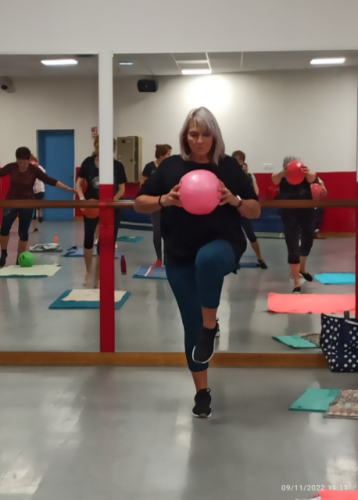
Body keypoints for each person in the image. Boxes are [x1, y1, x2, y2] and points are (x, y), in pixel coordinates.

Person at [135, 107, 260, 418]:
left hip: (223, 245)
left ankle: (210, 327)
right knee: (190, 325)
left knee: (207, 261)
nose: (200, 140)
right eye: (194, 134)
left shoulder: (229, 167)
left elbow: (256, 209)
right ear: (185, 136)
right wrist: (165, 199)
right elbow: (139, 202)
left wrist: (237, 201)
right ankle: (201, 391)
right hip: (179, 252)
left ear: (214, 135)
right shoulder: (170, 167)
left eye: (206, 134)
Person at [0, 147, 75, 267]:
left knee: (23, 232)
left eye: (24, 162)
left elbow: (50, 180)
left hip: (28, 202)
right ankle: (3, 254)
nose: (22, 165)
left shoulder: (34, 170)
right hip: (11, 202)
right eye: (20, 162)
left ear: (29, 160)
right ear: (16, 161)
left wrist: (67, 189)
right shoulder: (12, 167)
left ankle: (20, 258)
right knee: (4, 228)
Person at [76, 136, 127, 288]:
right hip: (92, 205)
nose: (100, 149)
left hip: (110, 207)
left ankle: (98, 277)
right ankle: (89, 272)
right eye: (97, 146)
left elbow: (122, 189)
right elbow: (79, 184)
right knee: (88, 239)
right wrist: (82, 199)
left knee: (105, 242)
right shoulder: (88, 162)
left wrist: (112, 201)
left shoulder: (117, 166)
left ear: (112, 149)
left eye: (103, 146)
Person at [272, 156, 317, 293]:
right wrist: (281, 173)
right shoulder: (280, 176)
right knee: (292, 247)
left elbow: (313, 178)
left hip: (306, 214)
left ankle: (302, 268)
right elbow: (274, 179)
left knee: (307, 242)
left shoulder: (307, 175)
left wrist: (307, 173)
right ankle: (296, 283)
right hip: (289, 215)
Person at [232, 152, 267, 269]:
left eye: (240, 159)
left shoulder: (249, 177)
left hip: (244, 209)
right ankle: (234, 260)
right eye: (235, 159)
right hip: (233, 210)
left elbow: (255, 192)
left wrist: (247, 202)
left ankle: (260, 258)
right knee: (232, 237)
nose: (238, 161)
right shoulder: (229, 175)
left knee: (251, 235)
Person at [141, 144, 172, 267]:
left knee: (168, 231)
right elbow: (143, 183)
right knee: (157, 231)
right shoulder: (149, 167)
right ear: (161, 155)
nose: (170, 156)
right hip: (154, 203)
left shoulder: (170, 167)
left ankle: (167, 258)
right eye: (168, 154)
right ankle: (159, 258)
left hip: (168, 203)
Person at [30, 155, 46, 232]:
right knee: (33, 210)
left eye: (33, 161)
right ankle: (35, 227)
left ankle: (40, 212)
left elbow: (44, 174)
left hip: (40, 190)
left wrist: (37, 167)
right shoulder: (28, 169)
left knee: (38, 205)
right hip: (31, 191)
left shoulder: (40, 168)